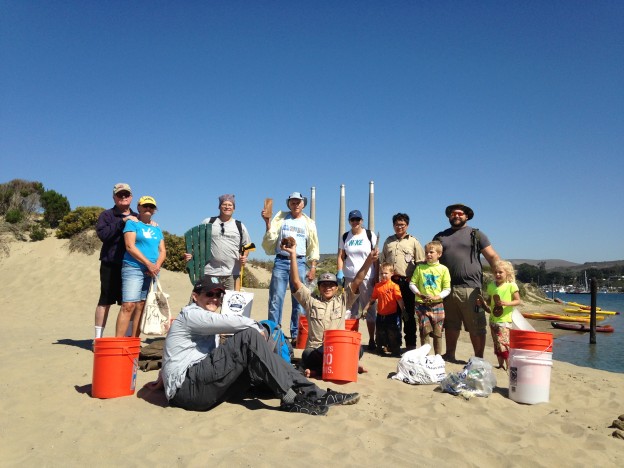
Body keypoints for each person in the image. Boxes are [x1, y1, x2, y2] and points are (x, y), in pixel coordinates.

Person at [155, 277, 360, 415]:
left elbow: (179, 353)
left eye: (218, 295)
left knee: (261, 367)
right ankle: (290, 399)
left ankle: (318, 393)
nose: (215, 299)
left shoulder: (202, 319)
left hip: (202, 388)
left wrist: (164, 374)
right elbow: (233, 323)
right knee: (249, 336)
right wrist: (256, 326)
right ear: (195, 296)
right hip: (188, 390)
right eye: (209, 294)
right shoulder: (191, 314)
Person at [281, 237, 377, 376]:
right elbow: (296, 282)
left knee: (359, 349)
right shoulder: (310, 301)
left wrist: (369, 260)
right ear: (319, 287)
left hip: (337, 349)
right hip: (317, 350)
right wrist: (292, 255)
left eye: (331, 285)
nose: (327, 287)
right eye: (324, 285)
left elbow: (358, 280)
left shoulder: (343, 300)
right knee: (307, 355)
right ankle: (345, 366)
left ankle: (319, 371)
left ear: (336, 288)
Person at [433, 203, 499, 361]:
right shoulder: (440, 236)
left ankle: (478, 358)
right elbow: (431, 258)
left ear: (467, 216)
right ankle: (450, 354)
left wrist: (501, 279)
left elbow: (492, 257)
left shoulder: (476, 234)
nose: (456, 216)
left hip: (471, 289)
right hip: (447, 289)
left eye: (460, 213)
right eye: (453, 213)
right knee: (450, 324)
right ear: (449, 216)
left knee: (476, 325)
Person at [261, 192, 319, 342]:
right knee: (276, 298)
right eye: (293, 202)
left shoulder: (309, 223)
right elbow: (271, 236)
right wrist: (267, 222)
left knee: (299, 299)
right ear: (289, 204)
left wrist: (312, 267)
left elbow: (313, 246)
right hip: (281, 261)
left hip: (299, 262)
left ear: (303, 204)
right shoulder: (281, 218)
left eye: (298, 202)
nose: (296, 204)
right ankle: (274, 333)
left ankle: (296, 334)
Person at [93, 183, 138, 340]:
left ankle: (127, 337)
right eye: (120, 195)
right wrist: (122, 222)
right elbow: (103, 235)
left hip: (132, 267)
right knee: (105, 301)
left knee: (130, 303)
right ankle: (98, 339)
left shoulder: (137, 217)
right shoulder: (106, 215)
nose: (123, 197)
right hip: (110, 263)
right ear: (114, 198)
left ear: (131, 197)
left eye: (126, 194)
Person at [116, 196, 166, 337]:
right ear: (139, 207)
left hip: (152, 272)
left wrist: (156, 266)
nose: (148, 209)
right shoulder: (133, 223)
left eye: (151, 207)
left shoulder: (157, 228)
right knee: (128, 305)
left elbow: (162, 250)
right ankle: (119, 343)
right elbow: (130, 246)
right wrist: (148, 264)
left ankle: (134, 342)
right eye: (145, 206)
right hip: (134, 268)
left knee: (142, 306)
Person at [184, 194, 251, 291]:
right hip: (209, 272)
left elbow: (247, 245)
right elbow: (196, 241)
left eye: (230, 205)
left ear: (234, 208)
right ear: (219, 207)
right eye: (224, 204)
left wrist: (244, 256)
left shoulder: (240, 225)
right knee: (202, 301)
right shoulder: (208, 222)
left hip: (232, 274)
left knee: (229, 305)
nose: (227, 207)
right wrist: (190, 255)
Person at [379, 213, 425, 351]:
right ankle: (392, 344)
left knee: (408, 314)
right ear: (393, 225)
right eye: (397, 224)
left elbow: (420, 264)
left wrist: (414, 280)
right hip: (392, 282)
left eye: (402, 225)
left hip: (407, 282)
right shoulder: (388, 241)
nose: (399, 227)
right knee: (392, 314)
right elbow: (383, 261)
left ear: (407, 225)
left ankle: (410, 345)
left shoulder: (414, 241)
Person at [337, 209, 378, 349]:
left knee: (369, 309)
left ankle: (372, 340)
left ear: (362, 221)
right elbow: (341, 256)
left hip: (367, 277)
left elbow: (375, 257)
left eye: (357, 220)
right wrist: (339, 271)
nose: (355, 222)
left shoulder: (369, 235)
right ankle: (351, 339)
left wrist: (376, 275)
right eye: (352, 220)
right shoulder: (345, 237)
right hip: (350, 276)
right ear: (349, 221)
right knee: (350, 309)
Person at [477, 260, 521, 370]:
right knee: (496, 343)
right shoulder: (491, 286)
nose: (497, 274)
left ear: (507, 273)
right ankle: (500, 364)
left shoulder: (511, 285)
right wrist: (483, 303)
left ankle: (509, 365)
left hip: (505, 320)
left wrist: (507, 303)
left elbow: (517, 301)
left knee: (504, 344)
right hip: (493, 319)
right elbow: (489, 300)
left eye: (500, 272)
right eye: (495, 272)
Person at [409, 241, 451, 355]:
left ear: (439, 254)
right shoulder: (420, 268)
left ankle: (438, 357)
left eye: (431, 252)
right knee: (424, 332)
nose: (428, 255)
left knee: (438, 333)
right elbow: (412, 284)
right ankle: (425, 357)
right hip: (421, 305)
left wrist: (437, 296)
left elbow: (447, 289)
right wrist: (419, 294)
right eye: (426, 252)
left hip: (437, 305)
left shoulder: (443, 269)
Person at [364, 263, 405, 357]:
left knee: (394, 333)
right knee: (379, 333)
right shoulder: (377, 286)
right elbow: (372, 299)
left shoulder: (394, 286)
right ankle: (379, 348)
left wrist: (403, 311)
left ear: (392, 274)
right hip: (381, 314)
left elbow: (399, 299)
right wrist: (365, 309)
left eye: (386, 273)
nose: (383, 275)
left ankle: (396, 350)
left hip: (392, 315)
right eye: (381, 273)